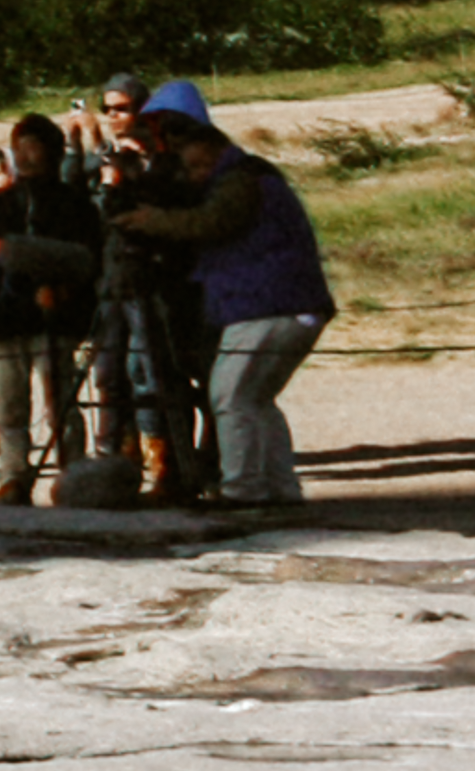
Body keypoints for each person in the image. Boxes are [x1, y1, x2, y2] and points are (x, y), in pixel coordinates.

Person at [110, 88, 334, 511]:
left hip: (270, 304)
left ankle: (243, 490)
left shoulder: (241, 180)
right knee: (256, 399)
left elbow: (211, 222)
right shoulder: (245, 175)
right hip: (282, 303)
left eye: (199, 166)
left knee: (230, 396)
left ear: (216, 152)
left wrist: (151, 220)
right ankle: (280, 489)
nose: (193, 176)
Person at [0, 113, 104, 503]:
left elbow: (90, 258)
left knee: (61, 403)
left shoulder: (72, 203)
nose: (25, 154)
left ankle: (73, 477)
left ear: (50, 151)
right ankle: (13, 478)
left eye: (33, 145)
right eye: (19, 146)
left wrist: (65, 289)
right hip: (8, 316)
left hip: (55, 316)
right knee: (10, 406)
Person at [87, 79, 213, 500]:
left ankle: (170, 466)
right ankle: (121, 465)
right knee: (110, 374)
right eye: (108, 110)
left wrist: (118, 183)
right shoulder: (115, 158)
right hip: (116, 278)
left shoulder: (172, 164)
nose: (113, 118)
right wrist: (90, 155)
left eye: (121, 108)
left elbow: (138, 213)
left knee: (154, 373)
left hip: (162, 284)